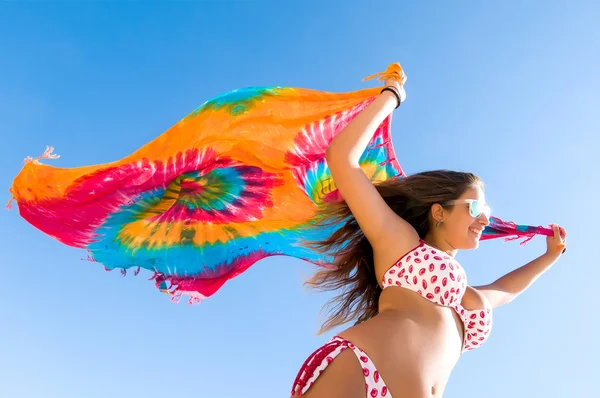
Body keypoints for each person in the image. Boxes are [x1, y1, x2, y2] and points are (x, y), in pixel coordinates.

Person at [290, 75, 567, 398]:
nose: (483, 218)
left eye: (488, 212)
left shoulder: (464, 296)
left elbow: (505, 290)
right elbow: (342, 158)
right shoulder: (400, 242)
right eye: (475, 207)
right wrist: (391, 95)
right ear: (439, 212)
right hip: (363, 370)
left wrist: (549, 256)